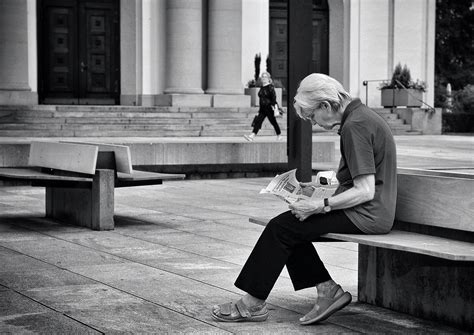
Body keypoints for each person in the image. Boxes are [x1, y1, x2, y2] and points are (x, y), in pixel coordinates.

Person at [212, 73, 397, 325]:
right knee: (290, 226)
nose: (314, 122)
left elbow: (365, 190)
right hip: (370, 210)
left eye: (312, 116)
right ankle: (326, 289)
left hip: (367, 214)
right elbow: (358, 182)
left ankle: (253, 304)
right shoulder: (360, 117)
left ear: (326, 105)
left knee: (282, 228)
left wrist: (320, 205)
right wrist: (311, 191)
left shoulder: (355, 126)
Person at [244, 72, 282, 141]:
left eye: (265, 77)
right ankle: (252, 136)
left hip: (269, 108)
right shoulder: (262, 87)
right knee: (258, 121)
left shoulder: (270, 87)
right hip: (262, 109)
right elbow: (261, 100)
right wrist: (259, 111)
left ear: (268, 78)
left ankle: (279, 135)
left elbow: (273, 98)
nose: (264, 78)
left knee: (273, 122)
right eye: (263, 77)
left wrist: (274, 108)